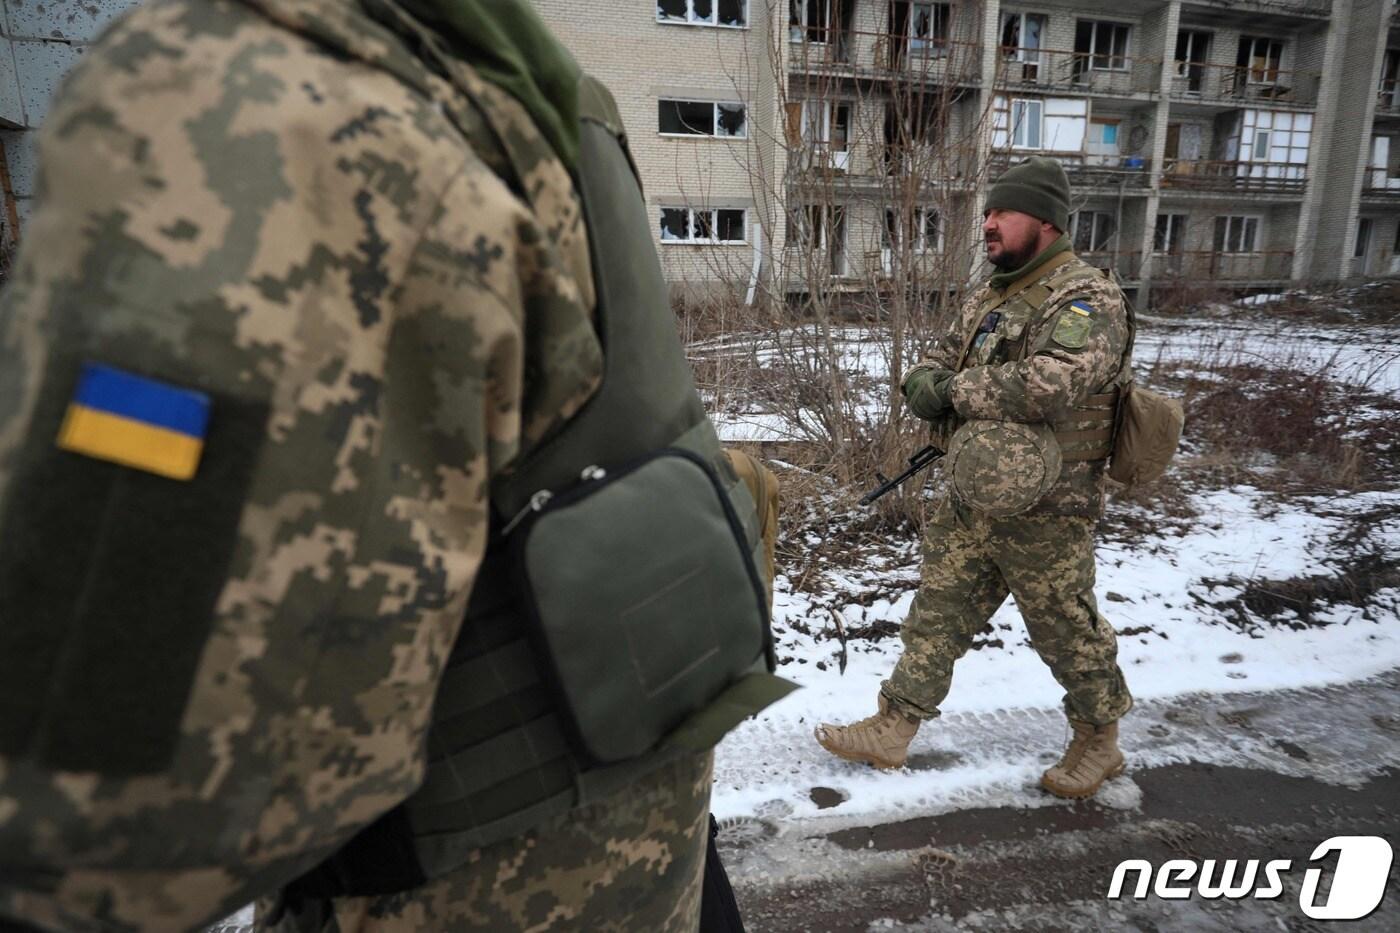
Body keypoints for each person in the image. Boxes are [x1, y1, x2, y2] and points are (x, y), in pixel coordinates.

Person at [0, 0, 788, 930]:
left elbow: (118, 809)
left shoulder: (231, 101)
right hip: (634, 858)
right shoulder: (515, 74)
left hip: (462, 890)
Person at [814, 156, 1134, 800]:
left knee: (1064, 627)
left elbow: (1049, 385)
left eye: (1000, 213)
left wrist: (950, 390)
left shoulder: (1086, 297)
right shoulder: (993, 295)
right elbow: (935, 362)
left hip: (1048, 504)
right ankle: (894, 725)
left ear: (1044, 221)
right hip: (974, 492)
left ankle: (1099, 742)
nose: (986, 225)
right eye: (986, 213)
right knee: (937, 612)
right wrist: (926, 383)